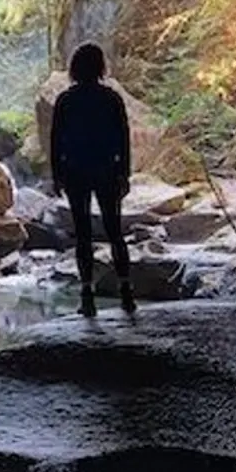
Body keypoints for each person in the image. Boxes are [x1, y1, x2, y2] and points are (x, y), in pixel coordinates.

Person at [50, 43, 135, 318]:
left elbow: (55, 140)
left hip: (75, 170)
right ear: (101, 67)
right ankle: (126, 292)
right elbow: (123, 138)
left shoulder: (65, 100)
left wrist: (56, 174)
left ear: (74, 68)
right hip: (106, 169)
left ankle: (87, 295)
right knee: (115, 232)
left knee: (83, 234)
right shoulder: (111, 98)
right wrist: (125, 173)